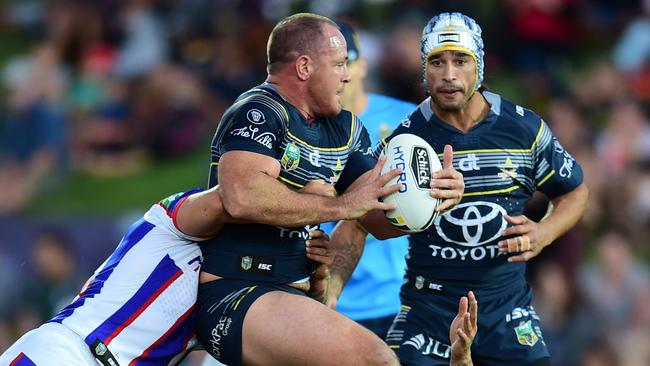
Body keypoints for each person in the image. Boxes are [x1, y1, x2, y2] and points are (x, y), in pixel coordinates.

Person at [194, 12, 466, 366]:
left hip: (297, 297)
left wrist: (430, 202)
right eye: (338, 64)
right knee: (375, 360)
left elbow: (376, 219)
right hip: (237, 290)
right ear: (305, 67)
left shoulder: (346, 129)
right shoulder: (258, 111)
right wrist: (341, 207)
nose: (347, 75)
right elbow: (241, 197)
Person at [329, 12, 589, 366]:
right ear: (424, 69)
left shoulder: (524, 129)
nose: (449, 74)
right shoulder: (402, 140)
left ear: (479, 65)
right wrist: (419, 209)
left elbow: (575, 192)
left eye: (460, 60)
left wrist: (544, 232)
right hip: (428, 311)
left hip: (506, 311)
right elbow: (365, 221)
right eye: (437, 61)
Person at [0, 183, 336, 366]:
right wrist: (318, 206)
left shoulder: (234, 291)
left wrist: (316, 282)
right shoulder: (175, 222)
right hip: (70, 354)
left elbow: (289, 342)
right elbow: (230, 200)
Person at [318, 20, 417, 338]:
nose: (340, 75)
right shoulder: (298, 131)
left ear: (361, 65)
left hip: (401, 296)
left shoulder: (410, 120)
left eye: (345, 63)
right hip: (331, 302)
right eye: (329, 66)